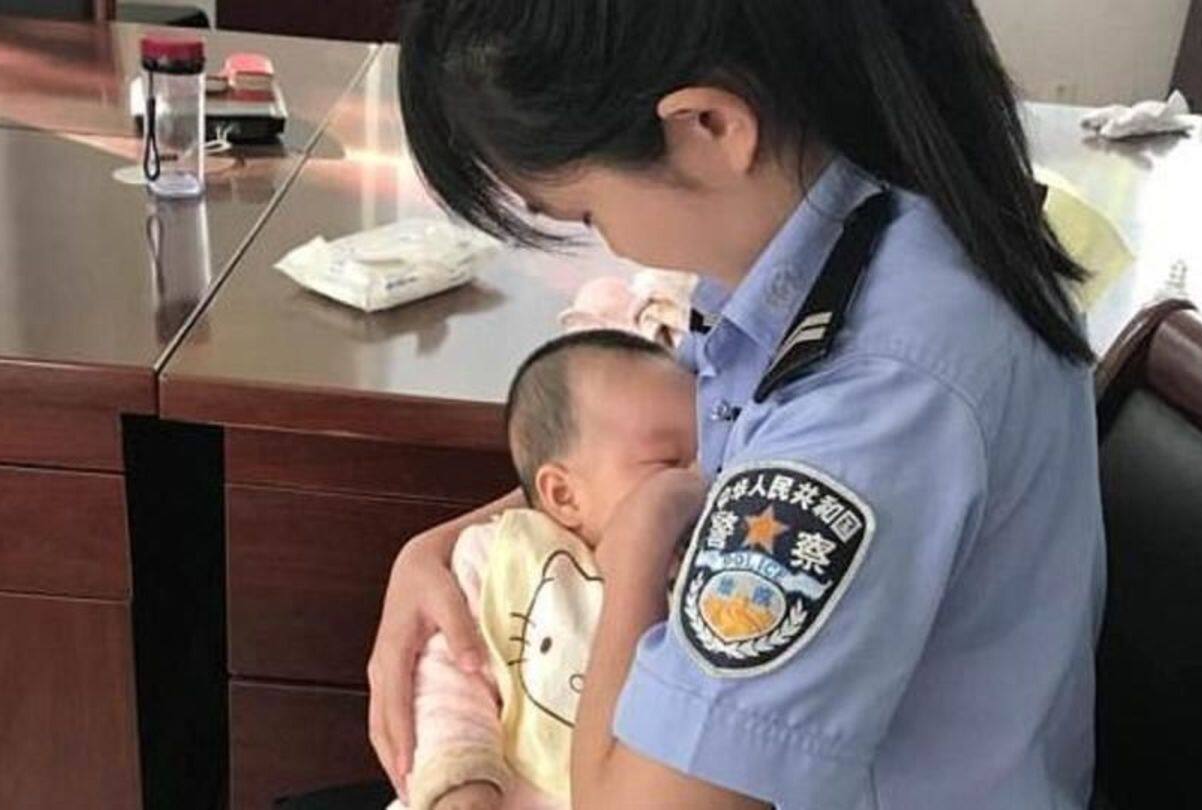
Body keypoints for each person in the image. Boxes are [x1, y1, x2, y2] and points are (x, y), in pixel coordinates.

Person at [370, 1, 1106, 808]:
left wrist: (645, 534)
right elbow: (692, 446)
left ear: (710, 125)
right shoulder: (860, 223)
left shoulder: (873, 399)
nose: (611, 244)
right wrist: (439, 545)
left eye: (587, 213)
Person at [397, 330, 696, 810]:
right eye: (669, 462)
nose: (700, 478)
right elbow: (452, 673)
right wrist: (459, 779)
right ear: (563, 494)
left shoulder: (705, 570)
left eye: (712, 455)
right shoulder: (500, 556)